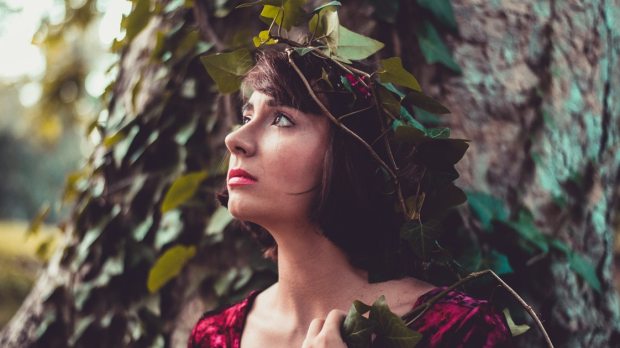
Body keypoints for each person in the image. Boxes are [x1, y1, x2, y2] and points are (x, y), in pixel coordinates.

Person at [188, 44, 513, 348]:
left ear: (349, 154)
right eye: (247, 117)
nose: (235, 139)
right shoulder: (213, 337)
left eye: (282, 119)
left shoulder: (457, 329)